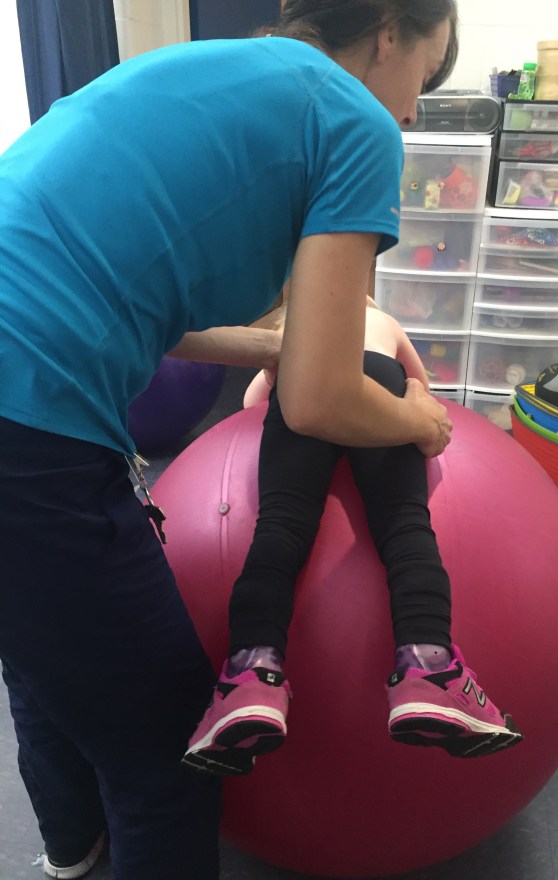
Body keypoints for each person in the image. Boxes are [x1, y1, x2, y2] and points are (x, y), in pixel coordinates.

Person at [0, 2, 460, 878]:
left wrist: (280, 349)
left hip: (20, 384)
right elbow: (322, 402)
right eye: (425, 77)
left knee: (44, 648)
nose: (411, 109)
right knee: (167, 736)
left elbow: (147, 301)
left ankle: (74, 851)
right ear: (389, 32)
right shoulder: (355, 119)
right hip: (28, 417)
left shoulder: (215, 70)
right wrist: (419, 420)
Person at [183, 298, 522, 776]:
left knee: (280, 526)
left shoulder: (293, 327)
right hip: (380, 381)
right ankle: (429, 665)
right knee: (404, 523)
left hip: (303, 381)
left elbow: (250, 404)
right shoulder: (386, 322)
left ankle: (249, 675)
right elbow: (420, 384)